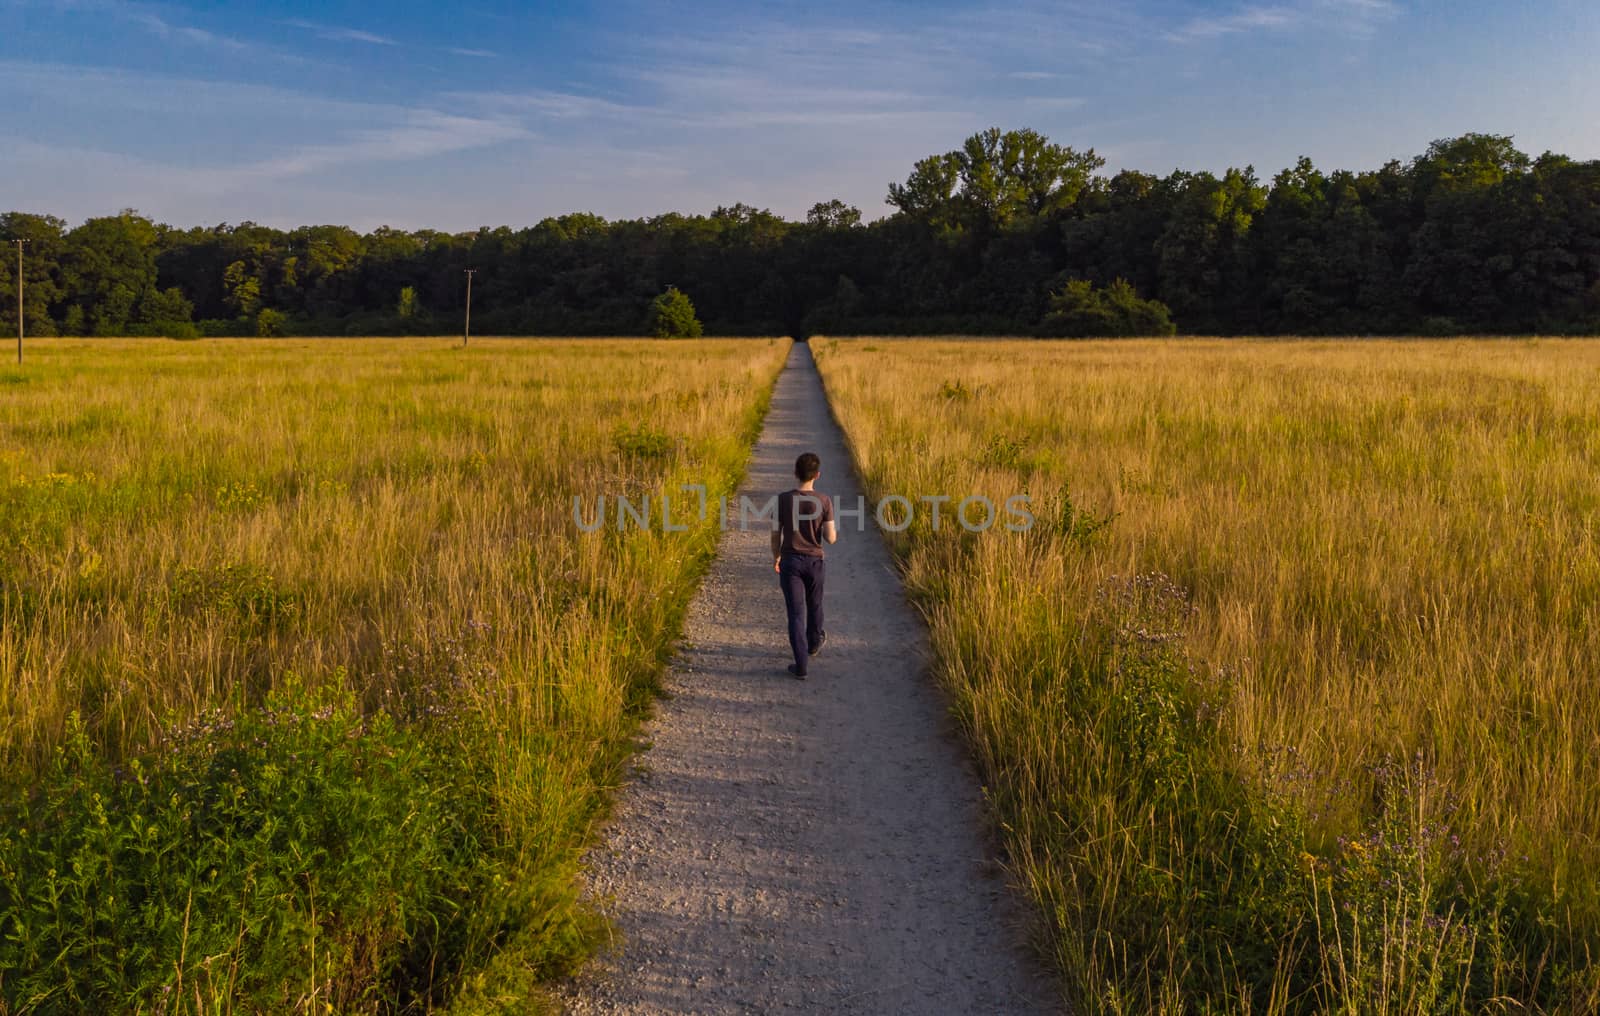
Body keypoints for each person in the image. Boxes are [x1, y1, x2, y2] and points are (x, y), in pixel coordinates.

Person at [771, 451, 836, 679]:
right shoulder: (824, 501)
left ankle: (801, 666)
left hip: (790, 561)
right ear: (817, 475)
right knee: (815, 604)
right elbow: (831, 538)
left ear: (795, 473)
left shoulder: (783, 499)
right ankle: (814, 643)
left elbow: (775, 533)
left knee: (796, 613)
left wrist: (776, 556)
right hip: (815, 562)